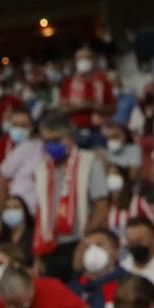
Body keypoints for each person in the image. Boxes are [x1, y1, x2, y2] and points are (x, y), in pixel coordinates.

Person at [30, 112, 111, 277]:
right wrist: (38, 257)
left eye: (56, 140)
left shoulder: (89, 162)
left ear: (71, 139)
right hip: (50, 247)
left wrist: (86, 242)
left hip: (81, 241)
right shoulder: (42, 169)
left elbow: (102, 207)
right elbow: (41, 214)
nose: (51, 145)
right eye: (47, 141)